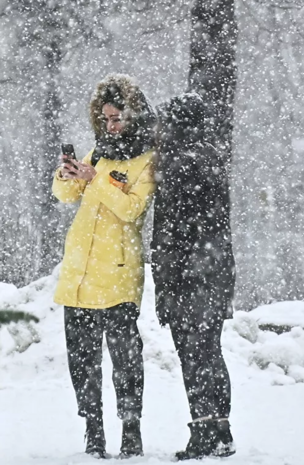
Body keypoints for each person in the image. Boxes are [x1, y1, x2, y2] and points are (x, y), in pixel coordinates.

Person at [52, 74, 156, 459]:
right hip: (79, 274)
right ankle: (93, 429)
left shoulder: (147, 159)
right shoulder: (98, 151)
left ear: (136, 116)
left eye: (118, 119)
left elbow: (131, 209)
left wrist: (95, 180)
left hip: (117, 274)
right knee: (81, 360)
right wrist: (67, 174)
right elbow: (65, 195)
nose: (111, 126)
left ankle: (131, 428)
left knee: (125, 359)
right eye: (106, 118)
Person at [151, 93, 236, 460]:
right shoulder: (212, 157)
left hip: (188, 277)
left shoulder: (177, 164)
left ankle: (201, 430)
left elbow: (172, 232)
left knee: (193, 355)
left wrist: (166, 283)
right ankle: (221, 429)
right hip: (215, 272)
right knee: (211, 351)